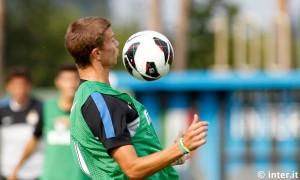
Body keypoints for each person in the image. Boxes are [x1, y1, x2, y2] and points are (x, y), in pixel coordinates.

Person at [65, 16, 209, 179]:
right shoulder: (101, 102)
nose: (117, 44)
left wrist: (174, 155)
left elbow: (119, 162)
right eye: (111, 40)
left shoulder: (88, 96)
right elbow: (132, 168)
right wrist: (182, 147)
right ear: (97, 53)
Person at [9, 64, 90, 180]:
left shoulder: (87, 109)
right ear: (57, 82)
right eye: (66, 80)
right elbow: (34, 140)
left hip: (80, 177)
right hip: (50, 176)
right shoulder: (46, 108)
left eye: (74, 79)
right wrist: (17, 168)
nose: (71, 84)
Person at [0, 67, 43, 180]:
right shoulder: (2, 111)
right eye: (15, 85)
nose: (19, 89)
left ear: (29, 86)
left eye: (23, 85)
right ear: (8, 87)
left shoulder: (41, 108)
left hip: (36, 173)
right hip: (8, 174)